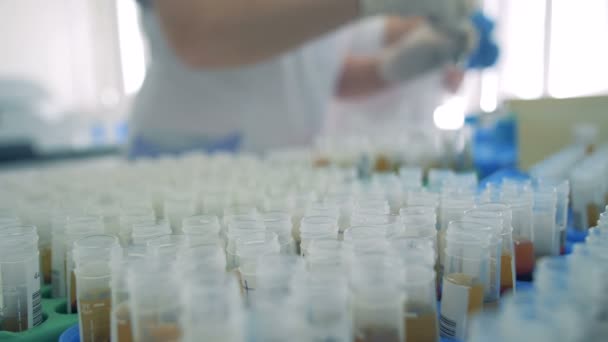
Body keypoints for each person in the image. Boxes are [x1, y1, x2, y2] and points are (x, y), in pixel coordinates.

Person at [128, 0, 476, 158]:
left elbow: (319, 72)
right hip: (191, 160)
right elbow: (199, 35)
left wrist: (396, 66)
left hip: (286, 162)